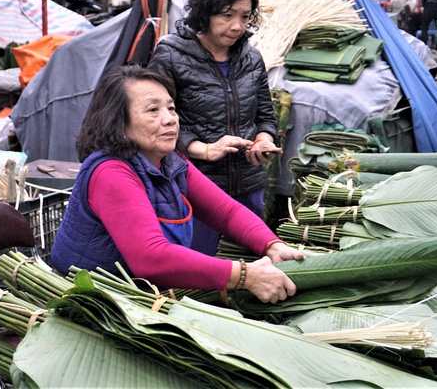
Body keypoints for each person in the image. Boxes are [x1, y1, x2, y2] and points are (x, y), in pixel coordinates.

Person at [51, 66, 304, 303]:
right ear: (120, 123)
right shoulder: (111, 173)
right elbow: (150, 257)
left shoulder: (169, 160)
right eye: (153, 110)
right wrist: (243, 275)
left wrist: (272, 245)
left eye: (171, 109)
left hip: (140, 290)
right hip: (94, 296)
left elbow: (225, 211)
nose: (170, 119)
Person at [148, 0, 280, 256]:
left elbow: (265, 116)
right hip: (194, 188)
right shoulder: (170, 54)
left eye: (245, 17)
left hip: (249, 185)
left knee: (249, 269)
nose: (237, 26)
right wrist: (205, 149)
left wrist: (263, 140)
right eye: (227, 15)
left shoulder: (252, 58)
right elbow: (154, 121)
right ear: (205, 13)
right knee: (199, 272)